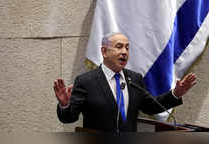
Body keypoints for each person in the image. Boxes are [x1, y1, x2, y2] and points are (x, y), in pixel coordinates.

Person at [53, 32, 197, 132]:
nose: (124, 52)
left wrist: (176, 94)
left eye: (127, 48)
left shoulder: (134, 79)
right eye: (119, 46)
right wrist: (65, 105)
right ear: (104, 52)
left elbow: (151, 107)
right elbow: (69, 118)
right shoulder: (86, 82)